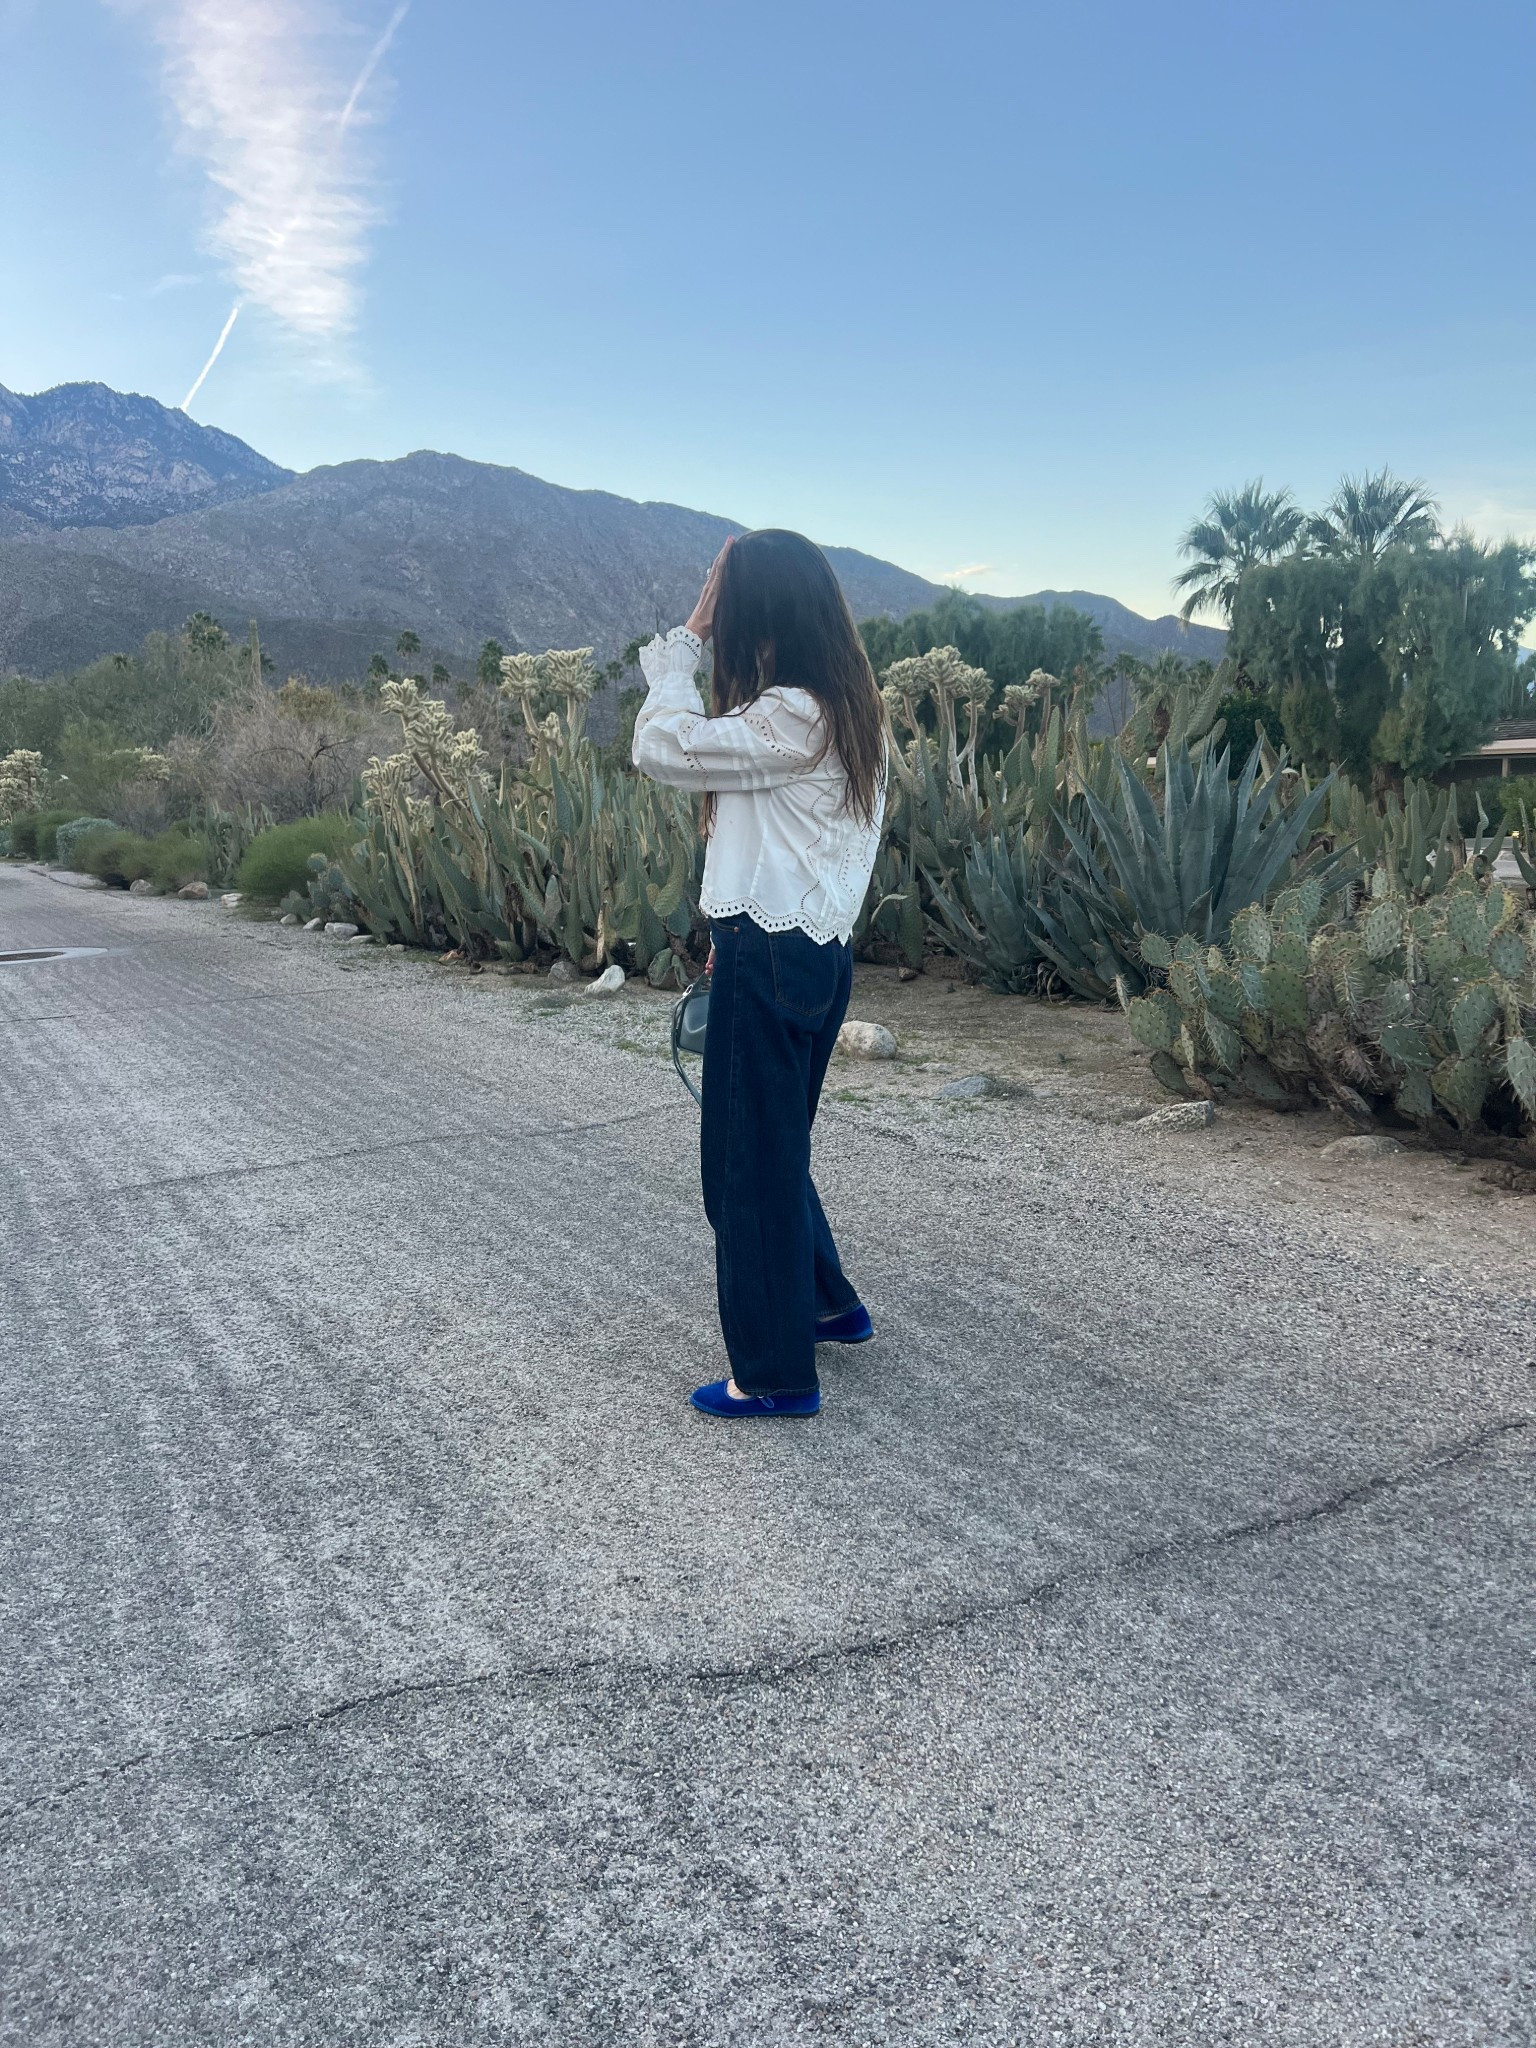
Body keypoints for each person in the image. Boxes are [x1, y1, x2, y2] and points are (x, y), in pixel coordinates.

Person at [632, 529, 888, 1418]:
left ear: (760, 611)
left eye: (728, 596)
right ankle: (825, 1304)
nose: (720, 613)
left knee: (744, 1167)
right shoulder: (847, 707)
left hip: (772, 955)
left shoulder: (790, 713)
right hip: (811, 948)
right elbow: (791, 843)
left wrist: (686, 643)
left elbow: (660, 747)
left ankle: (774, 1374)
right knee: (772, 1150)